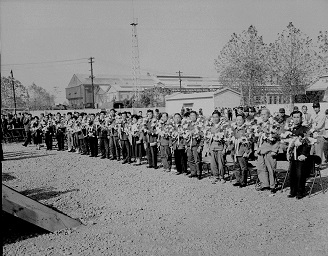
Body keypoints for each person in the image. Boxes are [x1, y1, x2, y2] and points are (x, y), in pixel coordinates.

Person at [287, 110, 311, 199]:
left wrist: (304, 154)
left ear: (301, 118)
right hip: (293, 155)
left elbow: (308, 143)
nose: (296, 119)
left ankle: (300, 192)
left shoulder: (304, 129)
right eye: (294, 117)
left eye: (298, 117)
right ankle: (293, 191)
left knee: (300, 174)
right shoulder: (292, 129)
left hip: (301, 155)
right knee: (292, 174)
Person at [255, 108, 280, 193]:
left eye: (265, 114)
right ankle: (265, 184)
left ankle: (273, 185)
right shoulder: (260, 124)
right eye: (261, 114)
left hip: (270, 149)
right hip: (261, 149)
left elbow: (277, 139)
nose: (263, 116)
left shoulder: (274, 124)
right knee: (261, 167)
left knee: (271, 168)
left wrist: (275, 150)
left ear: (269, 115)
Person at [230, 113, 251, 187]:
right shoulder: (234, 129)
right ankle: (238, 180)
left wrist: (247, 151)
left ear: (243, 120)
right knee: (236, 167)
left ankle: (243, 181)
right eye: (237, 120)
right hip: (235, 151)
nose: (238, 121)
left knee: (243, 167)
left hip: (242, 151)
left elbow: (249, 141)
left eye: (240, 120)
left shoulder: (246, 129)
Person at [208, 110, 226, 184]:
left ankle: (221, 176)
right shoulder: (210, 126)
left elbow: (226, 138)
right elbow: (208, 138)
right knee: (213, 163)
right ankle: (215, 176)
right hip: (212, 146)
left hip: (220, 146)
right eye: (214, 117)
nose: (215, 118)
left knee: (221, 163)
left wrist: (225, 148)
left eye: (217, 117)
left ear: (219, 117)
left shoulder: (223, 126)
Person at [186, 111, 204, 180]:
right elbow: (185, 134)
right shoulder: (188, 125)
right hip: (189, 145)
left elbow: (202, 137)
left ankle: (199, 173)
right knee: (190, 159)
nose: (192, 117)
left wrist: (200, 146)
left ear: (196, 116)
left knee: (197, 160)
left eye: (194, 115)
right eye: (191, 116)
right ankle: (193, 172)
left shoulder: (199, 125)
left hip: (196, 145)